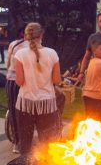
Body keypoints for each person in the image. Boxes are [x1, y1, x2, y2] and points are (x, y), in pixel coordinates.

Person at [14, 22, 61, 155]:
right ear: (42, 35)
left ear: (26, 36)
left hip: (25, 103)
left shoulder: (20, 54)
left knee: (25, 142)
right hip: (47, 104)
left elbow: (19, 81)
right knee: (46, 143)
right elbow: (56, 80)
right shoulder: (52, 53)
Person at [5, 25, 29, 153]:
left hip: (12, 80)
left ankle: (17, 141)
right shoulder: (36, 47)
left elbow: (8, 63)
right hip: (27, 82)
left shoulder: (13, 44)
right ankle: (24, 140)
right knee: (26, 111)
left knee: (14, 111)